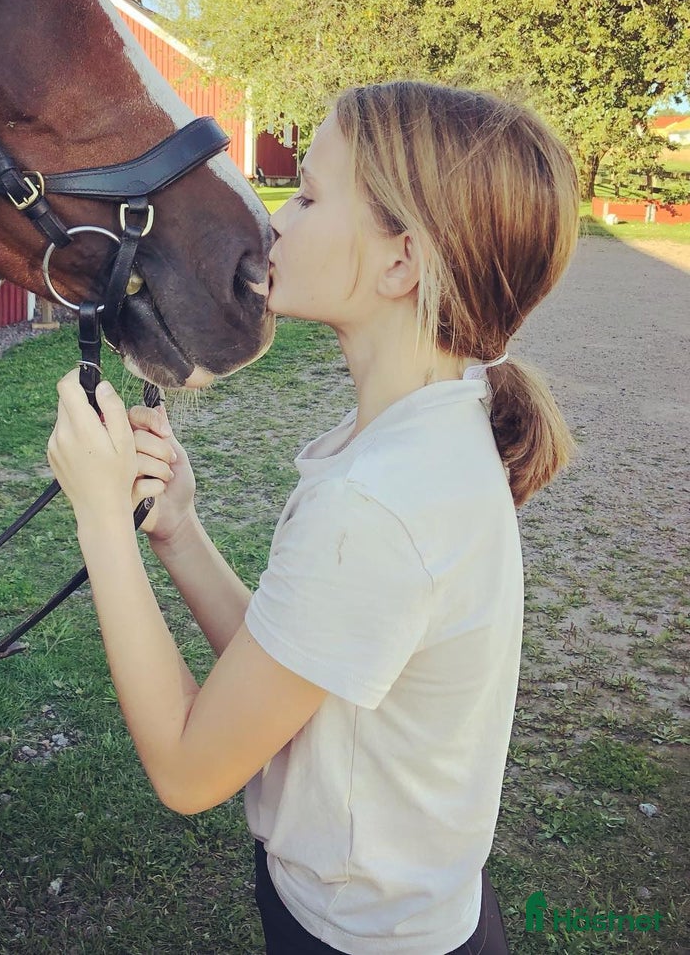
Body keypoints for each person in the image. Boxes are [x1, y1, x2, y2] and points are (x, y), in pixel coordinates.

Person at [47, 81, 580, 954]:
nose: (273, 218)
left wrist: (101, 521)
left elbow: (188, 766)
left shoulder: (378, 501)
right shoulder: (432, 427)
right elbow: (291, 674)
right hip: (403, 911)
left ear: (402, 262)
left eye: (307, 194)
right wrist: (178, 529)